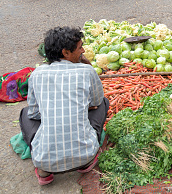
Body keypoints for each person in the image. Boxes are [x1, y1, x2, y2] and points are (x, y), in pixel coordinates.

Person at [19, 26, 108, 185]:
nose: (83, 51)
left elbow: (34, 114)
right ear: (66, 52)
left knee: (25, 113)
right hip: (85, 155)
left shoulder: (36, 74)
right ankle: (85, 163)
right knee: (103, 103)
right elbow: (96, 102)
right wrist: (83, 106)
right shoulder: (87, 71)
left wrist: (50, 111)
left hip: (44, 160)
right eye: (80, 47)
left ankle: (44, 171)